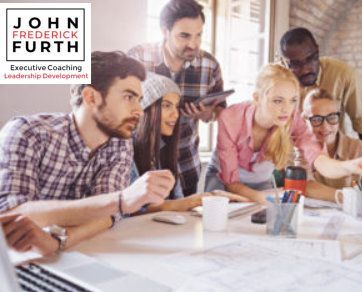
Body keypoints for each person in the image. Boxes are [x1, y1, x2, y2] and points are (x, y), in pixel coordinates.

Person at [0, 51, 175, 255]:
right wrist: (120, 200)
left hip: (66, 253)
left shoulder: (120, 143)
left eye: (139, 99)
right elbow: (10, 214)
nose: (139, 110)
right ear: (91, 97)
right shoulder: (28, 132)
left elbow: (108, 215)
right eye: (129, 97)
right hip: (14, 260)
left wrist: (58, 242)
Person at [204, 64, 362, 203]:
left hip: (261, 182)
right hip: (223, 180)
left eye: (292, 101)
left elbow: (319, 160)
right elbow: (231, 183)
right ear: (257, 98)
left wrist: (350, 166)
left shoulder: (292, 119)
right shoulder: (230, 118)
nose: (286, 109)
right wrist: (264, 198)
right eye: (277, 101)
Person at [128, 0, 224, 196]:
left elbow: (219, 110)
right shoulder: (138, 57)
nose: (193, 44)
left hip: (185, 165)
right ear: (165, 31)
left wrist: (208, 114)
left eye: (199, 35)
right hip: (141, 166)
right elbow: (121, 106)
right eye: (184, 36)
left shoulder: (210, 65)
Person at [131, 73, 248, 213]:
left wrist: (212, 197)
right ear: (145, 109)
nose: (175, 114)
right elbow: (134, 210)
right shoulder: (126, 150)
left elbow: (178, 200)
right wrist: (202, 199)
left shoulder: (164, 151)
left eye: (176, 106)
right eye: (167, 106)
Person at [279, 27, 362, 147]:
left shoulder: (343, 74)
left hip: (333, 157)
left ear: (317, 51)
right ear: (284, 63)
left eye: (310, 59)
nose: (306, 70)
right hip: (291, 158)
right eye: (296, 65)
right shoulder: (277, 81)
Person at [301, 89, 362, 210]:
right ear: (304, 120)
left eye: (331, 117)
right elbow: (305, 186)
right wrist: (349, 197)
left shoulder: (361, 149)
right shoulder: (298, 149)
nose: (325, 127)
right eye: (316, 119)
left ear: (339, 117)